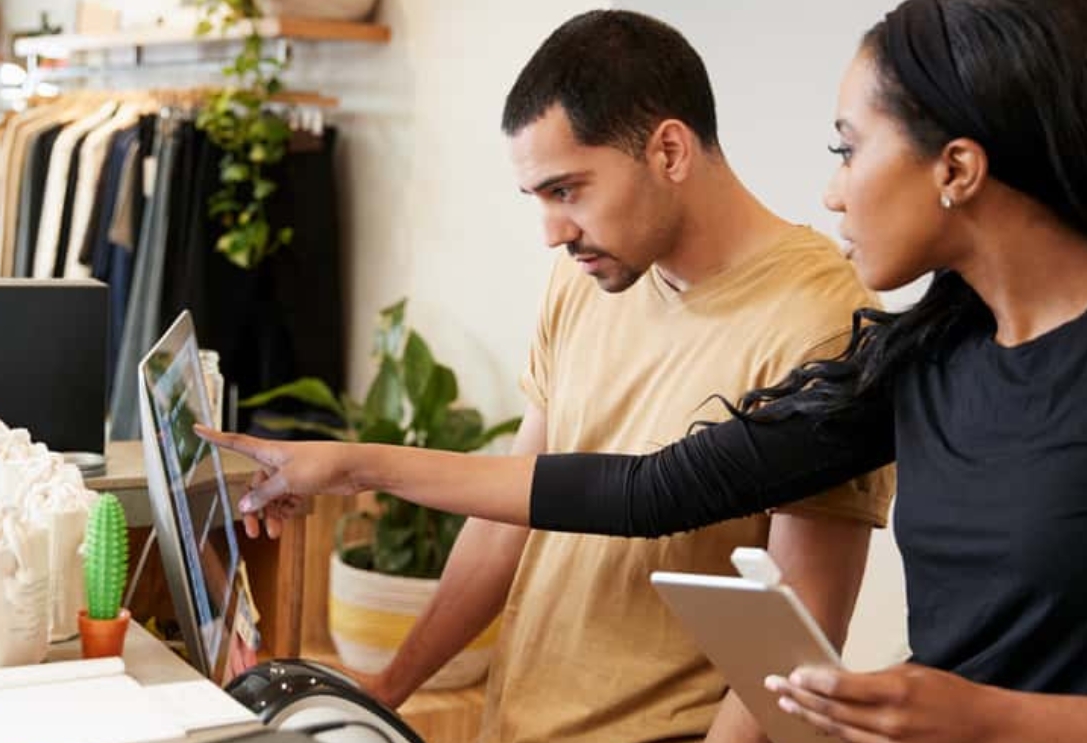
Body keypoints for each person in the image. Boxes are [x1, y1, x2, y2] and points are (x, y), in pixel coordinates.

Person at [199, 0, 1087, 740]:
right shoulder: (924, 359)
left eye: (846, 149)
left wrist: (991, 717)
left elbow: (824, 642)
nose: (832, 188)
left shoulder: (830, 318)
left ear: (957, 168)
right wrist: (350, 468)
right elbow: (647, 492)